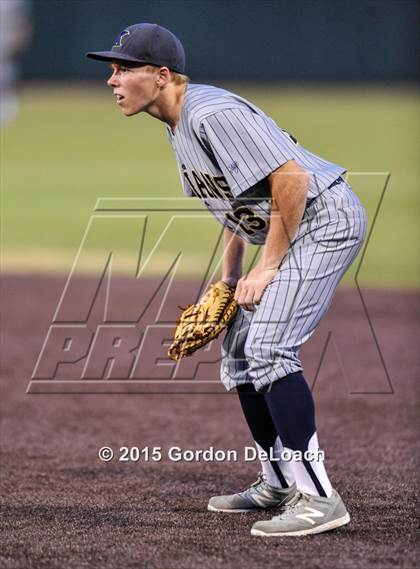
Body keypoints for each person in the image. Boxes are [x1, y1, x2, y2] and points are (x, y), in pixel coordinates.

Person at [87, 23, 367, 537]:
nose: (113, 79)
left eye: (124, 68)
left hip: (326, 220)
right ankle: (279, 481)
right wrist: (228, 281)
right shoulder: (177, 125)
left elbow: (292, 180)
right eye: (112, 69)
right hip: (292, 226)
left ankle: (320, 498)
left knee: (269, 348)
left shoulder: (211, 113)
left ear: (163, 74)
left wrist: (268, 267)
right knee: (239, 351)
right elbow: (236, 207)